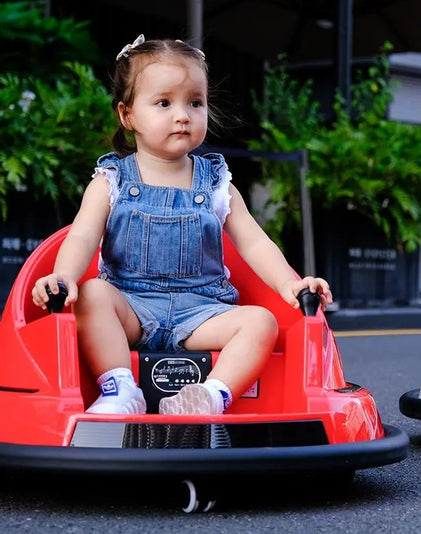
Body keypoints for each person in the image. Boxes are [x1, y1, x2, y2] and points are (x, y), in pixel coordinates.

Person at [32, 34, 333, 416]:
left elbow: (254, 241)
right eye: (163, 103)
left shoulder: (216, 181)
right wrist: (63, 278)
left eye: (195, 102)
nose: (183, 114)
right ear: (127, 115)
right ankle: (121, 389)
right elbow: (84, 234)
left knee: (261, 322)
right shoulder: (112, 179)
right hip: (132, 309)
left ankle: (211, 396)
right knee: (91, 296)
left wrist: (290, 284)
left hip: (202, 312)